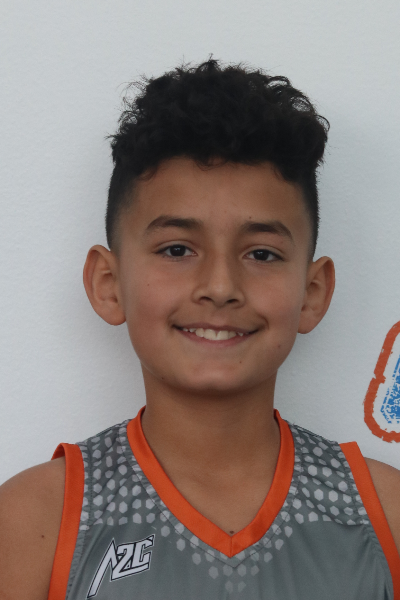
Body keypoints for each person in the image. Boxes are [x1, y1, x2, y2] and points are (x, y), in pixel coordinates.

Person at [0, 57, 399, 600]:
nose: (220, 285)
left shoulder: (385, 517)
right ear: (109, 283)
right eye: (177, 250)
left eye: (261, 253)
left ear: (312, 292)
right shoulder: (35, 522)